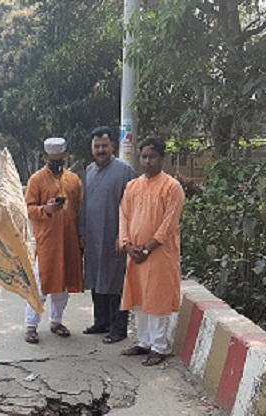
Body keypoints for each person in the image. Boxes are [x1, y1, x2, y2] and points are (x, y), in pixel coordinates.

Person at [118, 137, 185, 366]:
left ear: (162, 158)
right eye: (144, 156)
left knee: (157, 299)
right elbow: (123, 216)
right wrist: (127, 245)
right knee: (139, 299)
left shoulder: (172, 187)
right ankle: (144, 342)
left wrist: (147, 248)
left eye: (152, 156)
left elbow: (168, 225)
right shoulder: (132, 186)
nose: (148, 161)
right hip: (135, 254)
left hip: (159, 254)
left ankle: (159, 347)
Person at [78, 126, 137, 344]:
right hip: (93, 238)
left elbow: (133, 207)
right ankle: (100, 322)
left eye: (104, 145)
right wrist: (82, 231)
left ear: (112, 146)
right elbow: (84, 204)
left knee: (115, 282)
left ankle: (118, 328)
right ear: (92, 148)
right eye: (97, 146)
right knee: (96, 279)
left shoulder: (125, 171)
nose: (100, 150)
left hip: (115, 237)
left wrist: (124, 236)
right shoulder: (89, 171)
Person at [23, 137, 84, 344]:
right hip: (47, 242)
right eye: (52, 160)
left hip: (69, 241)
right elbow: (28, 209)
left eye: (60, 160)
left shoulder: (74, 180)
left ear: (65, 157)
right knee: (40, 284)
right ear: (45, 158)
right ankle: (31, 326)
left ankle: (56, 322)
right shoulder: (36, 180)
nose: (56, 163)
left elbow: (79, 209)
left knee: (62, 285)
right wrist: (45, 210)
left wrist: (81, 237)